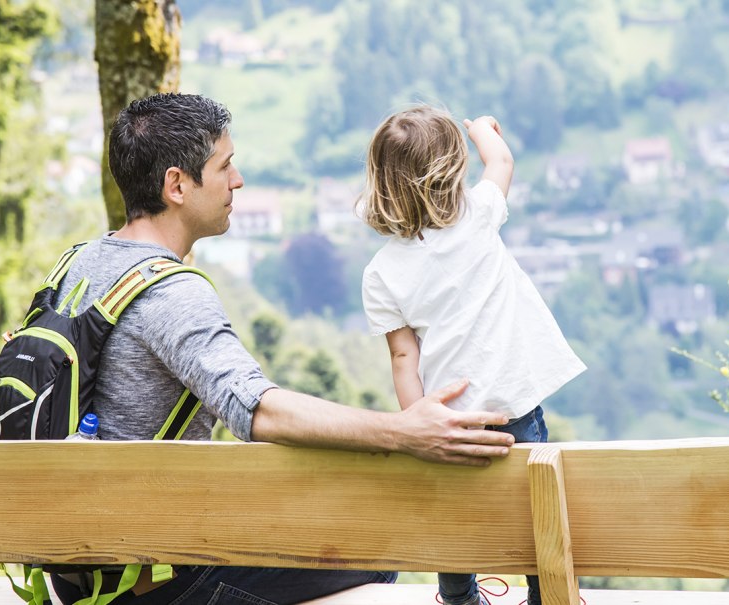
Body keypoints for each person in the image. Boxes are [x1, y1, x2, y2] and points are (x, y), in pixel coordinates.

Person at [46, 93, 515, 605]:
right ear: (177, 185)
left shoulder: (78, 264)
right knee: (373, 548)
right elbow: (256, 410)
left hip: (78, 570)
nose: (238, 179)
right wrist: (402, 432)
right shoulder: (169, 292)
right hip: (151, 583)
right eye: (224, 166)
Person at [358, 106, 586, 605]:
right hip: (512, 403)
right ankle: (543, 593)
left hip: (448, 420)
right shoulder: (479, 216)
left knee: (450, 508)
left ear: (382, 181)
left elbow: (403, 357)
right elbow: (501, 161)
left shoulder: (381, 273)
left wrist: (419, 419)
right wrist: (482, 128)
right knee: (533, 502)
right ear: (451, 170)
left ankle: (459, 598)